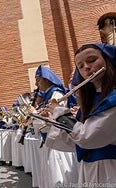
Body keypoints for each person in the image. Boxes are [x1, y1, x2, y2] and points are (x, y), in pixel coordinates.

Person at [45, 43, 116, 185]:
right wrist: (52, 122)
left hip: (110, 169)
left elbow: (87, 137)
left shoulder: (113, 98)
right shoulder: (92, 100)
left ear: (107, 60)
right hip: (89, 168)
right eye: (80, 66)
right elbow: (74, 142)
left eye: (92, 60)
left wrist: (60, 113)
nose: (86, 68)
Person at [33, 65, 78, 188]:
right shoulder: (48, 95)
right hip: (49, 139)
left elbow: (54, 120)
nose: (36, 84)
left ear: (47, 79)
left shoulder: (56, 93)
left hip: (58, 142)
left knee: (60, 176)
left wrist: (34, 114)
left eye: (38, 79)